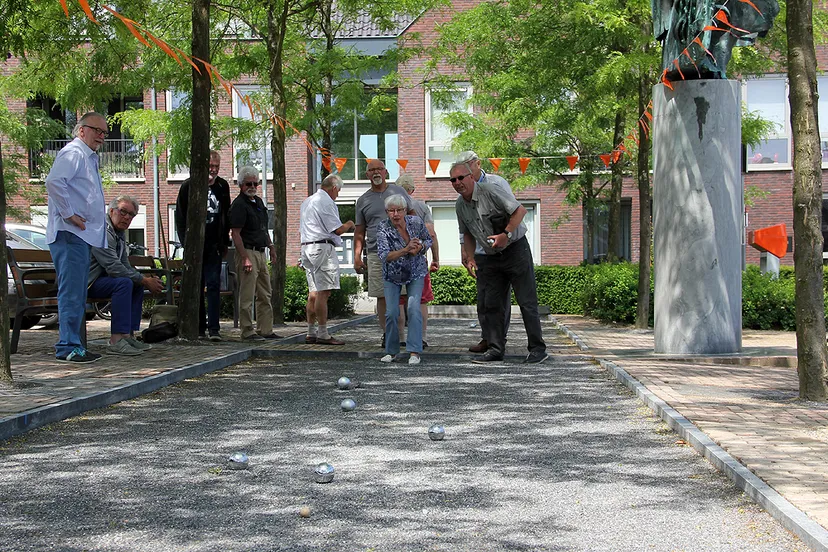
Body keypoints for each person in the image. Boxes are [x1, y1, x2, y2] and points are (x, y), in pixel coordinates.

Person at [450, 159, 548, 364]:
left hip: (515, 250)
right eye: (453, 180)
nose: (457, 182)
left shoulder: (491, 190)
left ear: (471, 177)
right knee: (491, 304)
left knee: (526, 302)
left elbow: (520, 211)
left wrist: (506, 234)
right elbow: (466, 233)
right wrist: (469, 257)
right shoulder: (460, 205)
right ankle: (495, 349)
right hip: (488, 257)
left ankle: (538, 349)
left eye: (461, 177)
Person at [45, 112, 109, 363]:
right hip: (70, 234)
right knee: (72, 292)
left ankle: (75, 345)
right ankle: (67, 347)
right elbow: (54, 182)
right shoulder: (74, 153)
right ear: (81, 130)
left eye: (105, 133)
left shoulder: (86, 156)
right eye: (97, 131)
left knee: (77, 292)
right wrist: (69, 214)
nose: (102, 137)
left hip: (79, 235)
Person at [88, 196, 166, 355]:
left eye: (131, 215)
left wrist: (142, 280)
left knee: (135, 284)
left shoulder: (120, 234)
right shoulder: (101, 231)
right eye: (123, 212)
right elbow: (113, 267)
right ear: (111, 211)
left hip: (103, 280)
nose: (127, 217)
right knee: (124, 283)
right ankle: (116, 340)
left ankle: (128, 335)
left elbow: (123, 263)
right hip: (88, 283)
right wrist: (145, 280)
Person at [456, 151, 514, 354]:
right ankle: (487, 337)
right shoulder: (462, 189)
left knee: (500, 299)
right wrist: (465, 250)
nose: (460, 177)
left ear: (477, 164)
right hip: (480, 251)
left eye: (466, 168)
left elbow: (513, 212)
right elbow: (465, 226)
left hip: (501, 249)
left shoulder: (497, 183)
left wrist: (505, 237)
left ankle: (499, 340)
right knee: (483, 299)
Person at [353, 159, 411, 347]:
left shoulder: (398, 191)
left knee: (400, 295)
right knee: (382, 296)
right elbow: (359, 232)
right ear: (367, 174)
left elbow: (413, 218)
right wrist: (356, 256)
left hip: (400, 252)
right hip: (376, 254)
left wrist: (414, 246)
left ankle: (401, 336)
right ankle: (388, 334)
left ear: (386, 172)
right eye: (372, 170)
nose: (376, 172)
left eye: (379, 169)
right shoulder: (363, 200)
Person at [174, 150, 231, 341]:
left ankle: (214, 329)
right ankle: (198, 328)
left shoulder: (222, 186)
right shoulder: (188, 186)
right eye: (210, 166)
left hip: (214, 244)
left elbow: (226, 214)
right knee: (196, 286)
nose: (213, 170)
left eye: (216, 167)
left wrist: (224, 242)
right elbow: (180, 217)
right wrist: (186, 244)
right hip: (195, 246)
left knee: (214, 284)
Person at [376, 194, 432, 365]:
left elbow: (428, 239)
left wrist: (420, 247)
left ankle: (414, 351)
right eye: (391, 211)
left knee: (414, 308)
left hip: (416, 271)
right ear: (387, 212)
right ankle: (391, 351)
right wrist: (406, 249)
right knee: (392, 312)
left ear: (405, 210)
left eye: (399, 210)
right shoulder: (382, 228)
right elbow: (385, 255)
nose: (395, 214)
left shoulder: (415, 222)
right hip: (392, 274)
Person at [299, 174, 354, 345]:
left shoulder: (307, 201)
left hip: (307, 248)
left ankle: (310, 332)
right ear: (334, 187)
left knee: (313, 292)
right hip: (322, 248)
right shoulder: (326, 201)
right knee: (324, 292)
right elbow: (337, 230)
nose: (338, 194)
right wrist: (350, 224)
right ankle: (323, 333)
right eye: (339, 191)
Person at [229, 166, 280, 341]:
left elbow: (263, 229)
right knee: (247, 294)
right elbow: (235, 233)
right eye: (248, 184)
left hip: (261, 252)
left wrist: (271, 247)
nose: (252, 187)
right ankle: (247, 331)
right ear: (241, 185)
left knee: (265, 292)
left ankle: (265, 329)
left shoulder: (258, 202)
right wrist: (244, 258)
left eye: (255, 184)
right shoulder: (238, 205)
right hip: (248, 252)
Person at [396, 174, 439, 347]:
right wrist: (435, 258)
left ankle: (399, 338)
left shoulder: (392, 208)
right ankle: (422, 337)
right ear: (412, 190)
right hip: (418, 261)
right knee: (420, 300)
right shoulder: (422, 207)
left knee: (398, 300)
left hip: (396, 260)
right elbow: (432, 234)